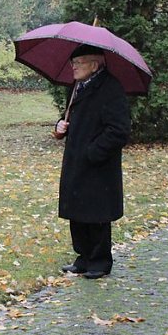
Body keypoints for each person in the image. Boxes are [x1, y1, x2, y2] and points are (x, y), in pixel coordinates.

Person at [53, 44, 131, 279]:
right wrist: (60, 126)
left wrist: (93, 152)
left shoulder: (110, 89)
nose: (73, 66)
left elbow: (119, 130)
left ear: (95, 65)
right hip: (75, 160)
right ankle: (83, 257)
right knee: (77, 211)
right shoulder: (76, 87)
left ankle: (99, 261)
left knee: (96, 213)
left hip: (98, 165)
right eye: (73, 63)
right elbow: (70, 118)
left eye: (79, 62)